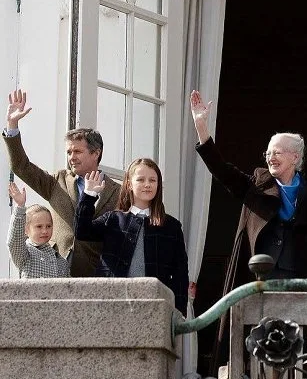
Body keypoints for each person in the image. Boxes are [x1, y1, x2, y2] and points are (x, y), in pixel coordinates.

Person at [190, 90, 307, 284]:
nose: (271, 158)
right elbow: (222, 170)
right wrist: (201, 127)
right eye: (268, 153)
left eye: (277, 153)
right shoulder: (257, 185)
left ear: (295, 157)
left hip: (301, 277)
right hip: (259, 276)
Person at [2, 89, 120, 277]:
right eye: (69, 152)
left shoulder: (118, 192)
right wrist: (12, 124)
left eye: (77, 152)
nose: (71, 157)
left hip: (96, 276)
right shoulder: (57, 182)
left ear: (96, 153)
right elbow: (21, 167)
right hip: (54, 271)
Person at [74, 159, 189, 313]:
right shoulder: (113, 219)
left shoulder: (172, 227)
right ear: (128, 184)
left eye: (152, 180)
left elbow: (180, 274)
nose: (147, 184)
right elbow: (82, 231)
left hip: (155, 307)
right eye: (140, 179)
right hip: (112, 305)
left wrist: (178, 313)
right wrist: (88, 196)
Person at [6, 182, 70, 278]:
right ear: (25, 229)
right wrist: (20, 207)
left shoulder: (61, 261)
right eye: (39, 226)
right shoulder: (24, 254)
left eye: (48, 226)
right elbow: (14, 242)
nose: (44, 231)